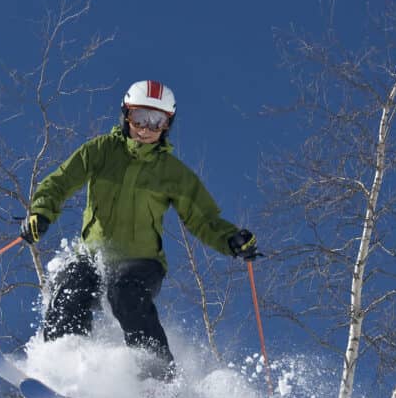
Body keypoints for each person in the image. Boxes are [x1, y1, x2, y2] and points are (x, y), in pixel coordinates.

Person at [20, 80, 258, 381]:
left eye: (156, 121)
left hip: (142, 262)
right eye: (139, 118)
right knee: (70, 288)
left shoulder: (173, 173)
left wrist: (230, 239)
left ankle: (158, 380)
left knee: (125, 294)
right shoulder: (101, 151)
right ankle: (62, 370)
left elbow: (203, 218)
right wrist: (41, 213)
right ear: (125, 116)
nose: (145, 128)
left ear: (166, 126)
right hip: (93, 254)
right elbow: (60, 182)